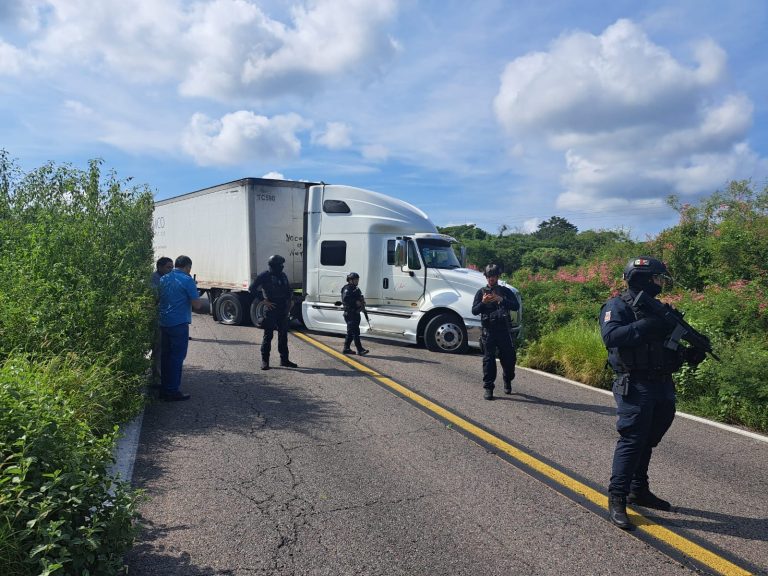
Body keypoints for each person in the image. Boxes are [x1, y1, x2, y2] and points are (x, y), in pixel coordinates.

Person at [600, 257, 705, 530]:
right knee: (633, 438)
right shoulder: (618, 305)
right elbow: (611, 337)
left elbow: (666, 346)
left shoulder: (659, 309)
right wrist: (647, 326)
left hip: (662, 383)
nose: (660, 283)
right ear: (644, 278)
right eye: (657, 278)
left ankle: (639, 489)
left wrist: (688, 353)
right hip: (634, 382)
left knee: (650, 438)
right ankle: (617, 497)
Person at [158, 255, 205, 401]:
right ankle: (172, 391)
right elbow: (197, 305)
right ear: (188, 267)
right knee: (177, 358)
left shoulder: (163, 278)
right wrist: (193, 291)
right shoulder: (187, 280)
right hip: (178, 324)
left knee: (165, 356)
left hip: (163, 322)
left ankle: (165, 387)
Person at [471, 264, 519, 400]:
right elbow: (474, 311)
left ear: (497, 277)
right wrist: (483, 303)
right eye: (488, 276)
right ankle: (488, 388)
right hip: (489, 331)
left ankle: (507, 379)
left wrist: (501, 300)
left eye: (493, 276)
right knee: (488, 361)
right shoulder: (481, 292)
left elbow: (516, 306)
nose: (491, 279)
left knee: (509, 361)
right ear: (486, 277)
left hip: (504, 331)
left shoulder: (505, 291)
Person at [249, 255, 297, 370]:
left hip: (283, 309)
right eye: (280, 265)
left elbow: (288, 290)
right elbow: (252, 288)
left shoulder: (283, 275)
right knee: (268, 335)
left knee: (283, 336)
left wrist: (291, 301)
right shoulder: (265, 276)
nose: (282, 267)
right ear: (274, 265)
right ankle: (265, 361)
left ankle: (284, 360)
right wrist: (264, 301)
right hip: (271, 309)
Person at [150, 257, 174, 386]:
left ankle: (162, 376)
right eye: (168, 267)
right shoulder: (154, 279)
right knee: (158, 348)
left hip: (166, 319)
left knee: (165, 348)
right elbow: (155, 297)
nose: (171, 270)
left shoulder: (167, 278)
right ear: (159, 267)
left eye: (172, 267)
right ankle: (157, 378)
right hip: (157, 319)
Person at [341, 272, 370, 356]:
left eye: (357, 279)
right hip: (350, 314)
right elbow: (346, 299)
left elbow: (360, 297)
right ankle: (360, 349)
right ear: (350, 280)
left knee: (351, 332)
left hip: (356, 313)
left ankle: (346, 349)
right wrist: (355, 302)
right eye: (355, 279)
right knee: (355, 332)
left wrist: (362, 302)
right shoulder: (347, 288)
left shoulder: (356, 288)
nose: (357, 281)